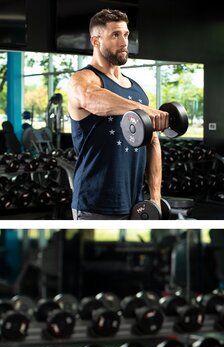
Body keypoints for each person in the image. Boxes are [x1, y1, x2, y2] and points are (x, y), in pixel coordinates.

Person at [67, 9, 169, 220]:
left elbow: (152, 142)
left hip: (135, 203)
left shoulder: (136, 90)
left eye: (126, 34)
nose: (124, 42)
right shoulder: (82, 80)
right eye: (115, 35)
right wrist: (144, 110)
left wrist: (155, 198)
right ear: (95, 41)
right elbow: (92, 99)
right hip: (94, 203)